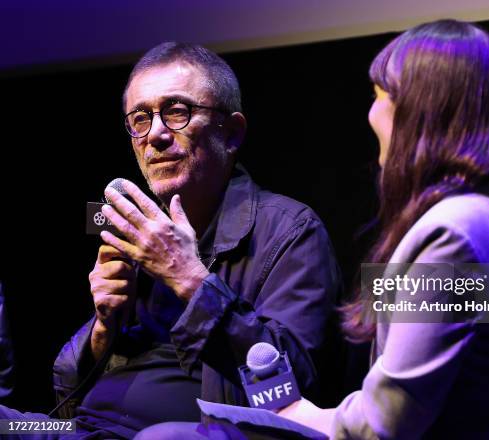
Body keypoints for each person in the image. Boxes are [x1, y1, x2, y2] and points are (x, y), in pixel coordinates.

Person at [0, 42, 341, 439]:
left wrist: (191, 280)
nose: (155, 135)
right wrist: (104, 327)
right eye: (140, 119)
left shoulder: (290, 230)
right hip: (81, 431)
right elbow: (67, 392)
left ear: (231, 133)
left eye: (176, 112)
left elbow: (291, 390)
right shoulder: (141, 231)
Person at [276, 19, 489, 439]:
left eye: (379, 96)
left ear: (418, 112)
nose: (371, 113)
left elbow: (384, 423)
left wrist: (299, 417)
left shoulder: (453, 238)